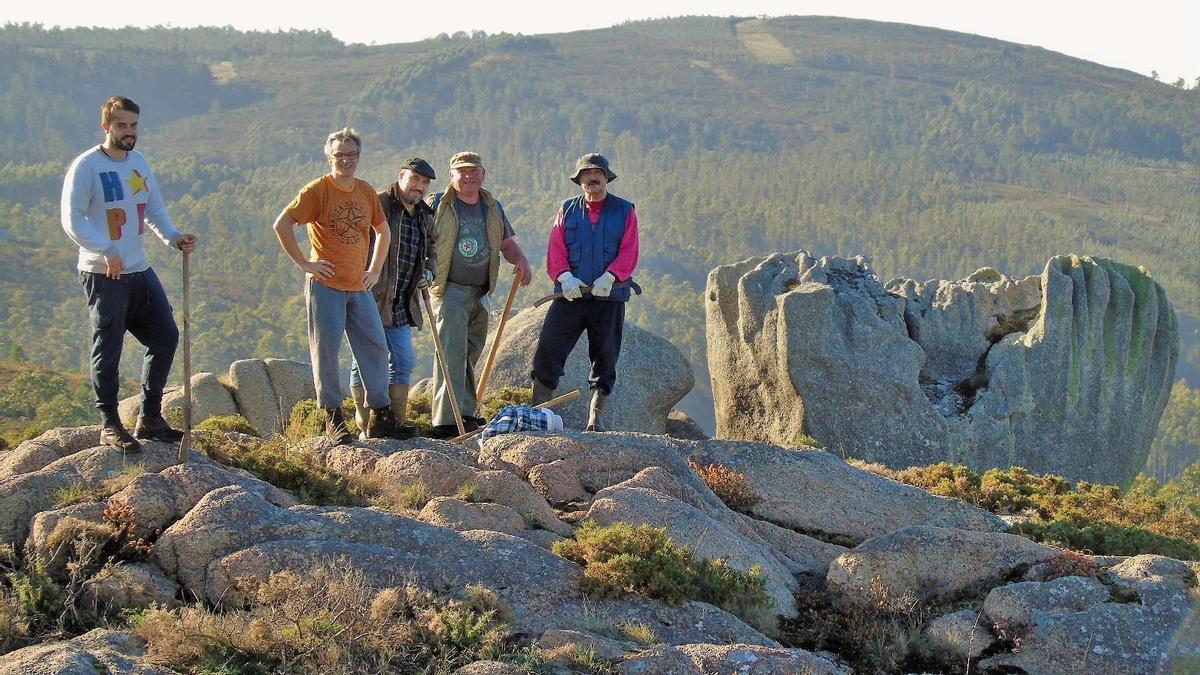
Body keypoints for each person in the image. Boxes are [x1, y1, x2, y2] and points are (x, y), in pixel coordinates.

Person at [61, 95, 199, 453]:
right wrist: (106, 250)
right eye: (121, 125)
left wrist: (173, 237)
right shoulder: (87, 166)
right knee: (108, 347)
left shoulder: (137, 162)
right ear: (106, 126)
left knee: (165, 336)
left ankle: (150, 417)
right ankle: (109, 423)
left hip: (139, 269)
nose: (129, 132)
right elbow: (72, 219)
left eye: (133, 125)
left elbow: (152, 209)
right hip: (104, 273)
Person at [272, 128, 405, 443]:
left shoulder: (364, 190)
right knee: (327, 353)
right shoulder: (317, 190)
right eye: (339, 155)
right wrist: (305, 264)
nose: (346, 160)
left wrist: (373, 270)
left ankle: (381, 416)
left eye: (351, 155)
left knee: (375, 347)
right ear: (329, 156)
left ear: (359, 156)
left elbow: (382, 231)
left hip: (358, 286)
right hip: (326, 286)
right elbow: (282, 224)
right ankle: (332, 419)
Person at [425, 151, 531, 438]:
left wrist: (521, 260)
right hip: (449, 289)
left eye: (474, 171)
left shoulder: (492, 207)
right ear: (452, 175)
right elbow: (422, 238)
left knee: (470, 353)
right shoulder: (438, 204)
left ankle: (466, 414)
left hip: (480, 291)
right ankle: (445, 422)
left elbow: (506, 243)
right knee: (450, 353)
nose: (468, 176)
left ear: (483, 174)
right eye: (462, 171)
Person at [530, 153, 639, 431]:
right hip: (570, 296)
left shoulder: (625, 211)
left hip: (609, 297)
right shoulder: (567, 209)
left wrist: (611, 276)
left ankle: (596, 417)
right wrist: (564, 276)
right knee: (548, 349)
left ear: (606, 177)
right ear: (579, 180)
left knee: (605, 356)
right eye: (586, 174)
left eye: (597, 173)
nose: (592, 178)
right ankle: (538, 414)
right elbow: (556, 248)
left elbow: (629, 251)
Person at [348, 158, 438, 439]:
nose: (419, 187)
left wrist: (430, 270)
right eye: (415, 179)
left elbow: (433, 247)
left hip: (402, 301)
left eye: (425, 183)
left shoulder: (425, 214)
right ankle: (366, 426)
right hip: (369, 296)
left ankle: (393, 424)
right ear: (401, 176)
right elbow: (354, 239)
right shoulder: (378, 204)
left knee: (403, 360)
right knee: (364, 360)